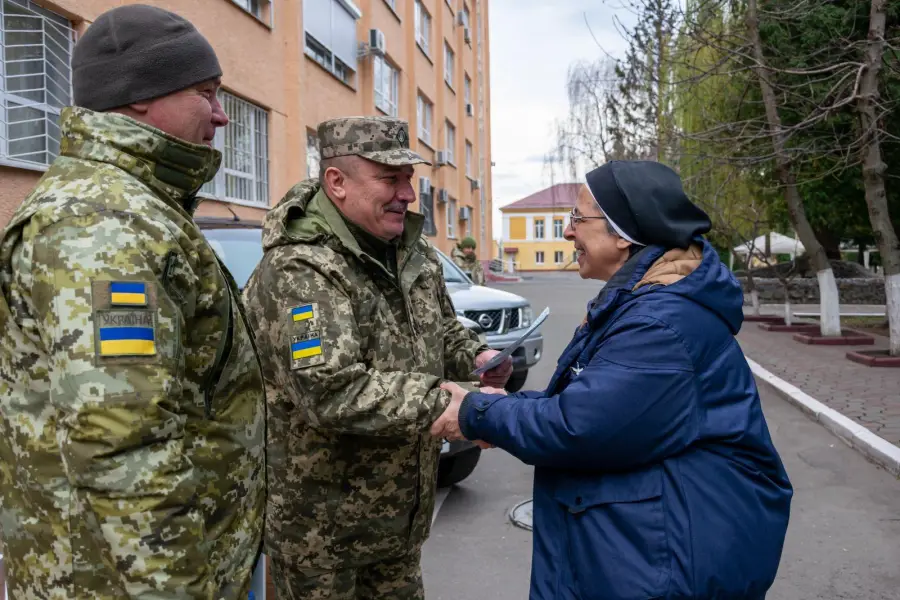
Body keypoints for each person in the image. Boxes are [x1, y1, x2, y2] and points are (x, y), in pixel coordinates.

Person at [0, 5, 265, 599]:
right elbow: (121, 443)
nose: (222, 116)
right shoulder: (103, 224)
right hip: (119, 581)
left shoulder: (139, 207)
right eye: (206, 93)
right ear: (141, 96)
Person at [435, 161, 794, 600]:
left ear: (623, 234)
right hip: (643, 544)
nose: (568, 233)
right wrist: (501, 408)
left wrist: (477, 413)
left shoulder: (661, 323)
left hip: (660, 562)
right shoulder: (647, 303)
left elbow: (579, 427)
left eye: (577, 220)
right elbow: (602, 404)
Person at [242, 116, 511, 599]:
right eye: (389, 179)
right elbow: (331, 389)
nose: (407, 194)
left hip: (398, 520)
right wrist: (454, 406)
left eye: (408, 178)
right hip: (320, 536)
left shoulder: (412, 252)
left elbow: (438, 327)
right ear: (336, 182)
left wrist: (476, 356)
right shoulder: (300, 269)